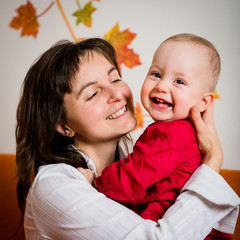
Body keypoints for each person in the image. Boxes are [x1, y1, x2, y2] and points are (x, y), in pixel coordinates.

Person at [15, 37, 240, 240]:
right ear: (63, 125)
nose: (117, 94)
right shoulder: (55, 187)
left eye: (115, 79)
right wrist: (213, 161)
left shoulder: (152, 147)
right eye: (93, 93)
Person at [88, 33, 234, 239]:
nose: (162, 86)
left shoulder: (174, 135)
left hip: (170, 221)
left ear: (204, 102)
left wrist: (96, 182)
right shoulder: (178, 131)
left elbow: (134, 178)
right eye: (156, 74)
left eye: (179, 81)